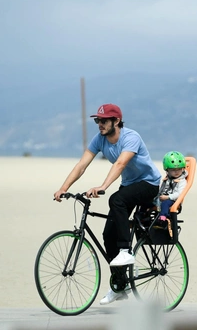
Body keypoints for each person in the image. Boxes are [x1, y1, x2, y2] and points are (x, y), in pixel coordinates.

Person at [53, 103, 161, 305]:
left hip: (149, 184)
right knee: (107, 234)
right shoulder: (99, 140)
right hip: (129, 185)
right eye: (97, 120)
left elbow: (121, 163)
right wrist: (63, 188)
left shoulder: (131, 137)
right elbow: (82, 164)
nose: (100, 124)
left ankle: (125, 252)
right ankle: (120, 285)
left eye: (104, 120)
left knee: (116, 199)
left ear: (117, 121)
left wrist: (103, 186)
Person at [153, 151, 188, 231]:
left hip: (172, 200)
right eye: (173, 170)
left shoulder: (182, 181)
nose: (176, 172)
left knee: (165, 204)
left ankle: (162, 220)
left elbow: (180, 194)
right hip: (163, 197)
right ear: (167, 170)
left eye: (179, 169)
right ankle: (142, 217)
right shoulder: (168, 179)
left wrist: (168, 197)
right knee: (147, 202)